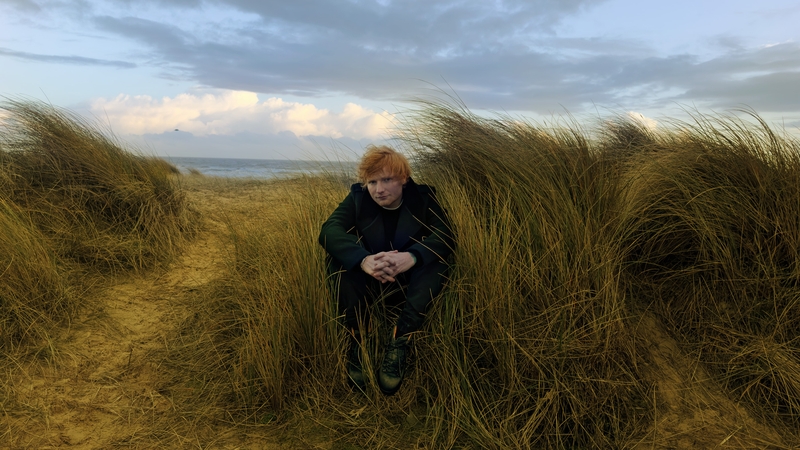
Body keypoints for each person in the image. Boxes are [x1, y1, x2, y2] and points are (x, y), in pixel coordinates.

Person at [319, 145, 453, 395]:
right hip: (370, 281)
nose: (378, 189)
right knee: (338, 259)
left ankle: (402, 335)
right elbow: (330, 230)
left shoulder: (423, 198)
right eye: (372, 182)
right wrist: (363, 260)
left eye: (387, 180)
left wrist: (412, 257)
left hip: (409, 284)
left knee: (436, 261)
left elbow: (446, 235)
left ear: (403, 178)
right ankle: (360, 333)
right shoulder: (358, 198)